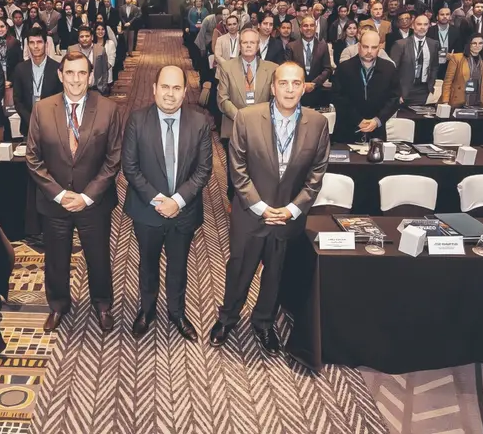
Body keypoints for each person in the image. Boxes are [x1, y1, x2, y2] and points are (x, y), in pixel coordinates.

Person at [209, 62, 330, 353]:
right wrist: (260, 206)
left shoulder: (317, 123)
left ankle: (263, 321)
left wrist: (292, 209)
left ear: (304, 87)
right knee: (239, 268)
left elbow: (317, 174)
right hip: (251, 214)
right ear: (272, 87)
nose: (289, 89)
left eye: (296, 83)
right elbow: (237, 170)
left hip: (288, 216)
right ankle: (228, 317)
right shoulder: (247, 118)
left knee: (276, 273)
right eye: (284, 83)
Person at [26, 52, 123, 333]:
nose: (76, 79)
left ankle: (102, 304)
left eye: (82, 73)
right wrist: (59, 194)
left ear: (90, 76)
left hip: (94, 203)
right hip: (54, 202)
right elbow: (33, 159)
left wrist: (86, 196)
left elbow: (113, 160)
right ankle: (58, 305)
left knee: (99, 257)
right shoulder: (42, 109)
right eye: (70, 73)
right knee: (56, 259)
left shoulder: (108, 109)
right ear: (60, 75)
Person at [122, 66, 211, 340]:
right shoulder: (137, 120)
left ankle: (177, 312)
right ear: (154, 89)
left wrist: (178, 201)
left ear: (185, 92)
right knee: (147, 264)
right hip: (147, 211)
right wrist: (160, 200)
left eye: (176, 88)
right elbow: (130, 167)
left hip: (183, 212)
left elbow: (203, 170)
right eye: (164, 87)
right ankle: (147, 310)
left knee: (178, 265)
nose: (169, 94)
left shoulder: (200, 122)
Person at [218, 29, 277, 201]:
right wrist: (242, 118)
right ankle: (233, 200)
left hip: (263, 127)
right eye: (245, 42)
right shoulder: (227, 67)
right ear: (240, 45)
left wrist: (256, 119)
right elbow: (222, 99)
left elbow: (275, 100)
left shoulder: (272, 68)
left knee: (259, 168)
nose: (249, 45)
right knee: (235, 168)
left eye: (253, 42)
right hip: (233, 126)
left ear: (258, 46)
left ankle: (258, 200)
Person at [332, 30, 400, 142]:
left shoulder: (389, 68)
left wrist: (378, 120)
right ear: (359, 46)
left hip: (376, 131)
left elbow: (394, 98)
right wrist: (357, 120)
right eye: (365, 47)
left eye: (374, 47)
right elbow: (338, 97)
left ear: (379, 48)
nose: (369, 51)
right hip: (346, 131)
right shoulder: (344, 68)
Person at [12, 29, 63, 138]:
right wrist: (31, 120)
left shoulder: (57, 68)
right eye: (32, 43)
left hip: (53, 125)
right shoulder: (20, 69)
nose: (35, 46)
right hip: (28, 126)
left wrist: (46, 121)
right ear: (28, 45)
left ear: (46, 44)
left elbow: (61, 98)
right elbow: (17, 100)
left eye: (39, 42)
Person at [390, 14, 439, 106]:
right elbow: (392, 70)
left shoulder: (434, 44)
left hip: (424, 90)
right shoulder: (400, 44)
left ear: (429, 26)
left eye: (425, 24)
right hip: (404, 91)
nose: (422, 27)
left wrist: (431, 84)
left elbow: (434, 66)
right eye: (419, 24)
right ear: (413, 26)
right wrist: (397, 93)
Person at [287, 16, 331, 107]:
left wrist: (314, 84)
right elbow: (288, 70)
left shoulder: (323, 46)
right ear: (300, 28)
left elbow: (327, 69)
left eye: (311, 25)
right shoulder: (291, 46)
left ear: (315, 28)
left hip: (317, 93)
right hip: (296, 94)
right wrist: (301, 84)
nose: (308, 28)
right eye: (305, 26)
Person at [440, 34, 483, 108]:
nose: (477, 45)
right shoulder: (457, 58)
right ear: (469, 44)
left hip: (477, 101)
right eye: (474, 43)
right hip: (457, 101)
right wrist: (445, 102)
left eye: (480, 43)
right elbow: (447, 82)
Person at [67, 26, 110, 95]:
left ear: (92, 37)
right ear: (78, 39)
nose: (84, 39)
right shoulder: (72, 50)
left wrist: (103, 88)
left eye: (87, 36)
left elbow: (104, 71)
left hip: (96, 88)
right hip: (77, 88)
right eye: (82, 36)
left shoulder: (100, 50)